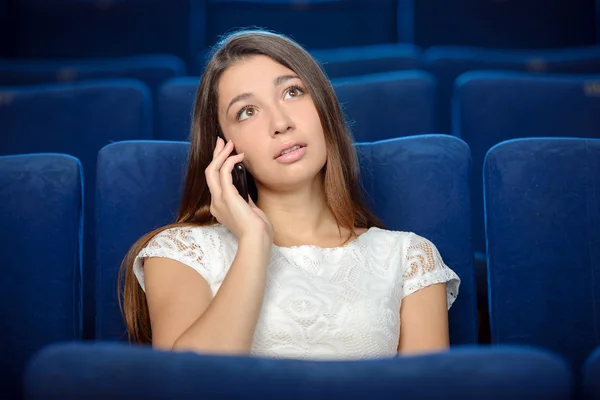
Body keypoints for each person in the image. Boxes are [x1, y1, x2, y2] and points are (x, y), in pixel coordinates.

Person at [118, 29, 460, 360]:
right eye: (247, 111)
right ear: (223, 148)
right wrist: (254, 240)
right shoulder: (181, 251)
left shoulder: (410, 258)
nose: (280, 123)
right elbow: (188, 384)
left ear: (324, 108)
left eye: (292, 92)